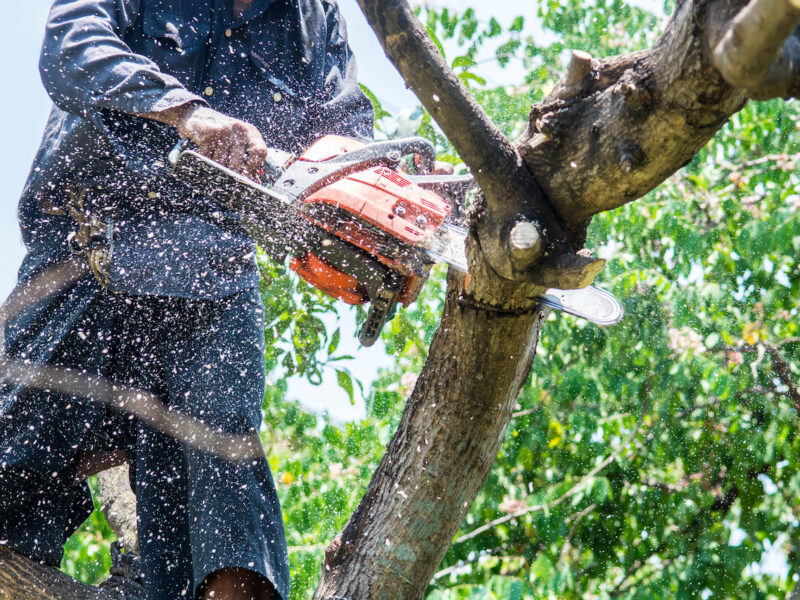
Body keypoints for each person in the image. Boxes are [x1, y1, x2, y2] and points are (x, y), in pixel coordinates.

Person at [0, 1, 373, 599]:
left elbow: (344, 136)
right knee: (12, 474)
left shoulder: (312, 19)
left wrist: (376, 221)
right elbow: (69, 44)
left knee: (224, 459)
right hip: (90, 244)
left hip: (213, 269)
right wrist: (187, 114)